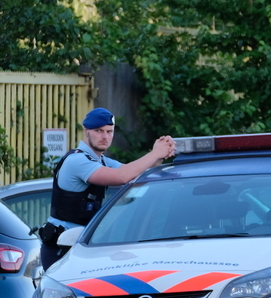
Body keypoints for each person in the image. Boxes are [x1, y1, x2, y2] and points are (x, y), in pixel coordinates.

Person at [38, 108, 175, 270]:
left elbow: (136, 174)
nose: (105, 136)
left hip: (79, 247)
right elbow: (122, 176)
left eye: (109, 131)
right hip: (61, 248)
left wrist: (160, 153)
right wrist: (154, 154)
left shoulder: (100, 160)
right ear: (86, 132)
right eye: (99, 131)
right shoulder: (78, 161)